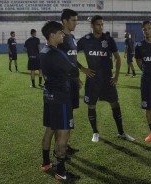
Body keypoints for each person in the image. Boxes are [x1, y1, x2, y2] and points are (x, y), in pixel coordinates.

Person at [77, 15, 135, 143]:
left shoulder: (108, 39)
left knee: (115, 103)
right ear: (92, 25)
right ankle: (95, 132)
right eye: (98, 24)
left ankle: (121, 132)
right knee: (91, 105)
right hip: (92, 80)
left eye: (102, 24)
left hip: (107, 79)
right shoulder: (85, 40)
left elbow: (117, 58)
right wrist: (83, 69)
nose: (101, 27)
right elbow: (71, 54)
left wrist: (116, 76)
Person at [40, 20, 80, 181]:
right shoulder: (56, 53)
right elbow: (74, 71)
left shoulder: (44, 50)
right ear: (52, 35)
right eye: (60, 33)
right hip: (61, 97)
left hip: (49, 95)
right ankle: (61, 172)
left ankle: (46, 163)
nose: (62, 35)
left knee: (50, 129)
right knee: (63, 134)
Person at [58, 8, 82, 156]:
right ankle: (59, 149)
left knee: (70, 115)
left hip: (73, 82)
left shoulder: (72, 37)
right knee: (63, 117)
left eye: (76, 20)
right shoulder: (58, 39)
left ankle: (65, 145)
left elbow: (72, 59)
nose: (75, 23)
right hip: (63, 84)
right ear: (65, 21)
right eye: (73, 20)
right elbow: (57, 62)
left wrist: (78, 75)